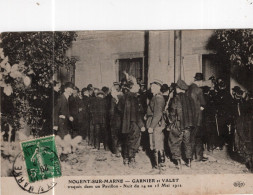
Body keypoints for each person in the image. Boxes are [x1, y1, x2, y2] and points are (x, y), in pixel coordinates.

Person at [118, 74, 145, 168]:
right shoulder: (134, 98)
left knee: (126, 140)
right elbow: (136, 114)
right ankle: (131, 159)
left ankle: (125, 159)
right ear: (132, 87)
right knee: (134, 141)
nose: (138, 86)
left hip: (125, 123)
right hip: (134, 124)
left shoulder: (123, 97)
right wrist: (141, 125)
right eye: (137, 85)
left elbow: (119, 109)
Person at [168, 79, 194, 169]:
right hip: (188, 125)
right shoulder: (189, 98)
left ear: (178, 88)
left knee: (175, 142)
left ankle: (178, 163)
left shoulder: (176, 98)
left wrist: (171, 123)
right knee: (187, 143)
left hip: (178, 124)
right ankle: (189, 162)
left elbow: (173, 112)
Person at [187, 73, 207, 162]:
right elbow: (203, 103)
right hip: (197, 118)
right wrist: (201, 108)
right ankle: (198, 156)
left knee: (190, 137)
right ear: (200, 81)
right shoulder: (199, 90)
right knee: (197, 137)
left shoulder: (188, 89)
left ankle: (189, 157)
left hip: (189, 117)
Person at [146, 79, 166, 169]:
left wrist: (151, 126)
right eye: (151, 86)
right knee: (158, 143)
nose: (151, 88)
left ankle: (156, 166)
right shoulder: (156, 97)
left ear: (158, 88)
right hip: (156, 123)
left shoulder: (158, 98)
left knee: (154, 144)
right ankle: (161, 164)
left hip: (156, 124)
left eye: (153, 86)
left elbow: (157, 114)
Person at [110, 86, 123, 157]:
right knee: (120, 135)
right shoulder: (123, 97)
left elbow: (112, 111)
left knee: (114, 135)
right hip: (122, 120)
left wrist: (110, 119)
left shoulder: (113, 99)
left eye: (112, 90)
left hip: (115, 120)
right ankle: (120, 149)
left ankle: (115, 151)